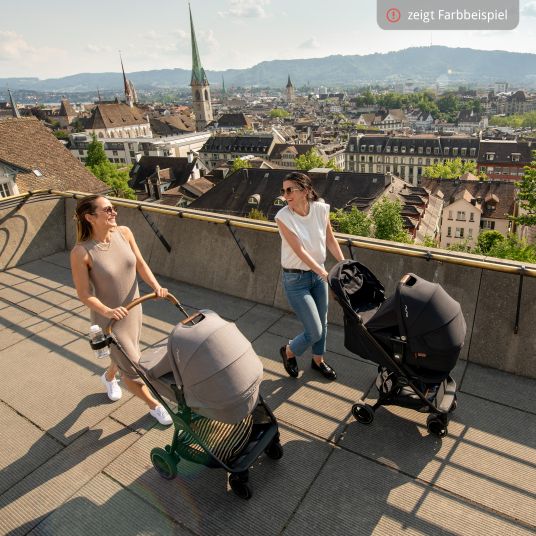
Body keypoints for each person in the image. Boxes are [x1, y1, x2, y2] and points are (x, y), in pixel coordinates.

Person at [70, 194, 172, 425]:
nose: (114, 212)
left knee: (126, 354)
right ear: (90, 217)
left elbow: (140, 263)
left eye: (113, 208)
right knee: (134, 366)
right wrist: (107, 311)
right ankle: (154, 405)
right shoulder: (81, 252)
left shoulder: (124, 233)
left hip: (134, 310)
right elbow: (84, 294)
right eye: (107, 210)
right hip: (110, 319)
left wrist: (156, 287)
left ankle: (108, 377)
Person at [274, 171, 344, 381]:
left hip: (317, 275)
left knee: (323, 323)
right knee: (314, 330)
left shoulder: (321, 210)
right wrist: (324, 273)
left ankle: (318, 361)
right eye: (283, 190)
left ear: (305, 191)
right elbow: (300, 252)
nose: (285, 195)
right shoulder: (283, 217)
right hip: (296, 280)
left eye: (290, 190)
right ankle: (289, 351)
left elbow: (330, 240)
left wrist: (343, 265)